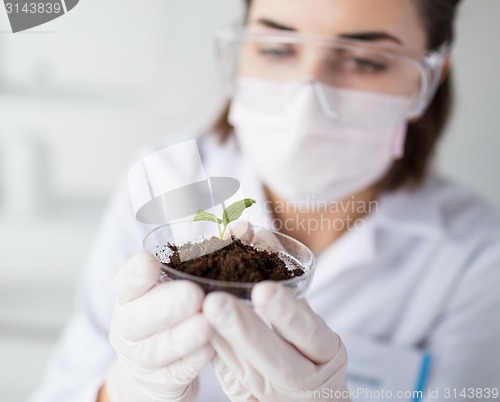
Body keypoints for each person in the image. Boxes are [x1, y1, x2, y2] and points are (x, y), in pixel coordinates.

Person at [29, 0, 500, 401]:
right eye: (276, 49)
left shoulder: (478, 253)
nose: (306, 97)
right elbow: (66, 385)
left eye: (366, 61)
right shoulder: (164, 181)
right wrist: (133, 386)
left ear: (430, 79)